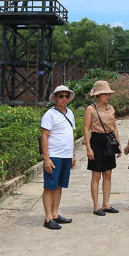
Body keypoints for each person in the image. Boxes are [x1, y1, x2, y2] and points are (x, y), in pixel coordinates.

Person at [40, 85, 77, 230]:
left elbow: (71, 135)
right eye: (61, 96)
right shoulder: (50, 114)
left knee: (60, 185)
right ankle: (48, 217)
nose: (64, 98)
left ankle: (55, 214)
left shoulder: (70, 113)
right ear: (55, 97)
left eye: (66, 96)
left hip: (66, 156)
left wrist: (73, 154)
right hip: (54, 156)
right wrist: (46, 158)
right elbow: (44, 137)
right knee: (50, 186)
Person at [83, 80, 122, 216]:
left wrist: (118, 144)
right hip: (96, 141)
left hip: (109, 141)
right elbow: (86, 129)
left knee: (108, 174)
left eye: (108, 94)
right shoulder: (90, 109)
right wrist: (88, 147)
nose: (107, 96)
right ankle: (96, 205)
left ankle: (106, 203)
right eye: (104, 94)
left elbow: (114, 127)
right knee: (96, 175)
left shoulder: (111, 108)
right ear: (98, 95)